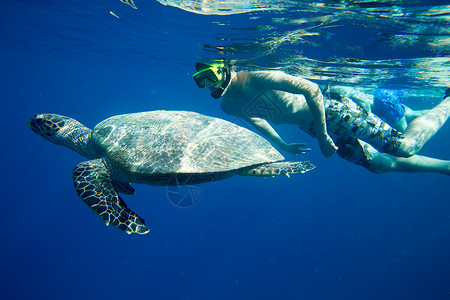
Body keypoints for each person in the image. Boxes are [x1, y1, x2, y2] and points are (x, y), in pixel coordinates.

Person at [193, 61, 450, 174]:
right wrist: (282, 144)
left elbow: (311, 89)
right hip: (312, 128)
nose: (208, 85)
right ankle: (445, 168)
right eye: (200, 82)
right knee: (378, 165)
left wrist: (324, 133)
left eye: (210, 76)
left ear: (223, 67)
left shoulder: (257, 77)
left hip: (334, 113)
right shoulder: (228, 105)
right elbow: (256, 120)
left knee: (405, 147)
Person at [323, 85, 429, 132]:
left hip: (383, 104)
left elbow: (364, 103)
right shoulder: (334, 89)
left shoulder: (335, 90)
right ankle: (436, 113)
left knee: (406, 135)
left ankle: (440, 116)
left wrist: (368, 122)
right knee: (411, 115)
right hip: (383, 99)